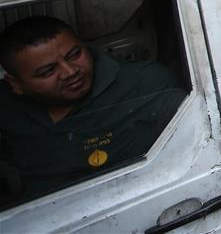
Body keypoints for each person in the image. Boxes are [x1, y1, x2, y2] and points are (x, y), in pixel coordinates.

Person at [0, 16, 186, 201]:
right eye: (48, 71)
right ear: (15, 83)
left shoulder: (145, 84)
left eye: (74, 55)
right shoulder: (7, 111)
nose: (70, 72)